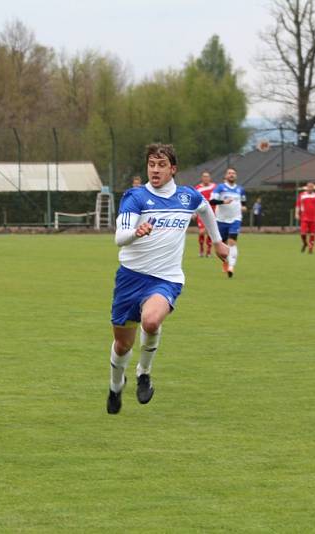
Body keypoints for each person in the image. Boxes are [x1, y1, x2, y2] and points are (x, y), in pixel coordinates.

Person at [106, 143, 228, 414]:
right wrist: (137, 232)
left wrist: (218, 242)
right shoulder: (135, 197)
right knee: (122, 343)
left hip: (166, 278)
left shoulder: (187, 197)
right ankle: (115, 386)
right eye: (151, 164)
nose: (155, 170)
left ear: (173, 169)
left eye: (161, 165)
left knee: (150, 321)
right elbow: (119, 238)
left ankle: (144, 373)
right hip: (130, 278)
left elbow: (206, 209)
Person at [210, 167, 246, 278]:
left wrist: (244, 208)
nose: (231, 175)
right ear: (225, 176)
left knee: (232, 242)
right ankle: (225, 261)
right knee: (219, 248)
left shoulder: (240, 189)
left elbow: (244, 203)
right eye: (229, 173)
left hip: (235, 219)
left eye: (233, 173)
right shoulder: (220, 188)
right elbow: (212, 201)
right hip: (221, 220)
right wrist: (223, 201)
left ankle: (231, 267)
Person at [295, 182, 315, 254]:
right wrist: (296, 213)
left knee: (312, 234)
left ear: (313, 188)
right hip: (304, 217)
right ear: (306, 187)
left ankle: (311, 248)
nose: (310, 188)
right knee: (303, 233)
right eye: (309, 187)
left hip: (313, 218)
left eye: (312, 187)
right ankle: (305, 243)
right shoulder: (302, 195)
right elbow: (298, 205)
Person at [194, 170, 217, 257]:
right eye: (204, 176)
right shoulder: (197, 188)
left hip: (213, 212)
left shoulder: (214, 187)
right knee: (201, 232)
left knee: (210, 232)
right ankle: (201, 248)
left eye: (207, 176)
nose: (206, 178)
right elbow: (195, 201)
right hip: (201, 213)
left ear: (210, 178)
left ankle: (208, 251)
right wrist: (194, 212)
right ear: (202, 178)